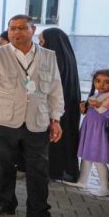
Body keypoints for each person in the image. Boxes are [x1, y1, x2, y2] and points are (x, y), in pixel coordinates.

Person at [0, 14, 77, 217]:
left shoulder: (49, 57)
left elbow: (56, 90)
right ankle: (5, 203)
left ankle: (39, 212)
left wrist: (56, 119)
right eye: (12, 28)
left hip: (36, 122)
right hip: (2, 121)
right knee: (3, 165)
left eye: (21, 28)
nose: (16, 32)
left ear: (33, 29)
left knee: (38, 168)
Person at [64, 69, 109, 196]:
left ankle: (105, 187)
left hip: (100, 132)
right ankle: (82, 181)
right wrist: (84, 108)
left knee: (98, 158)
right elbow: (91, 113)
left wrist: (97, 106)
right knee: (86, 156)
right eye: (98, 81)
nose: (101, 84)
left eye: (107, 82)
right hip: (90, 130)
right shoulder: (97, 95)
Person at [39, 28, 82, 182]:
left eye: (42, 41)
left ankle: (53, 171)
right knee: (64, 139)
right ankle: (65, 170)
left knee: (55, 139)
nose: (40, 44)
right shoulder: (67, 56)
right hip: (67, 105)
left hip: (56, 108)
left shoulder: (54, 59)